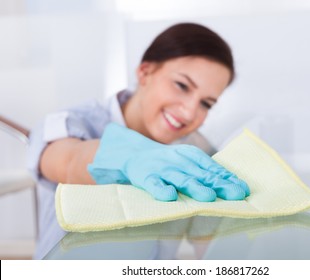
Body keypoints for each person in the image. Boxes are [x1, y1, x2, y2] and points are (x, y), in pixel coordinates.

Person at [27, 22, 250, 259]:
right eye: (182, 86)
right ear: (145, 72)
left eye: (206, 103)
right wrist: (130, 159)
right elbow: (69, 161)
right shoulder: (74, 122)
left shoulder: (197, 152)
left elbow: (210, 247)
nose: (189, 113)